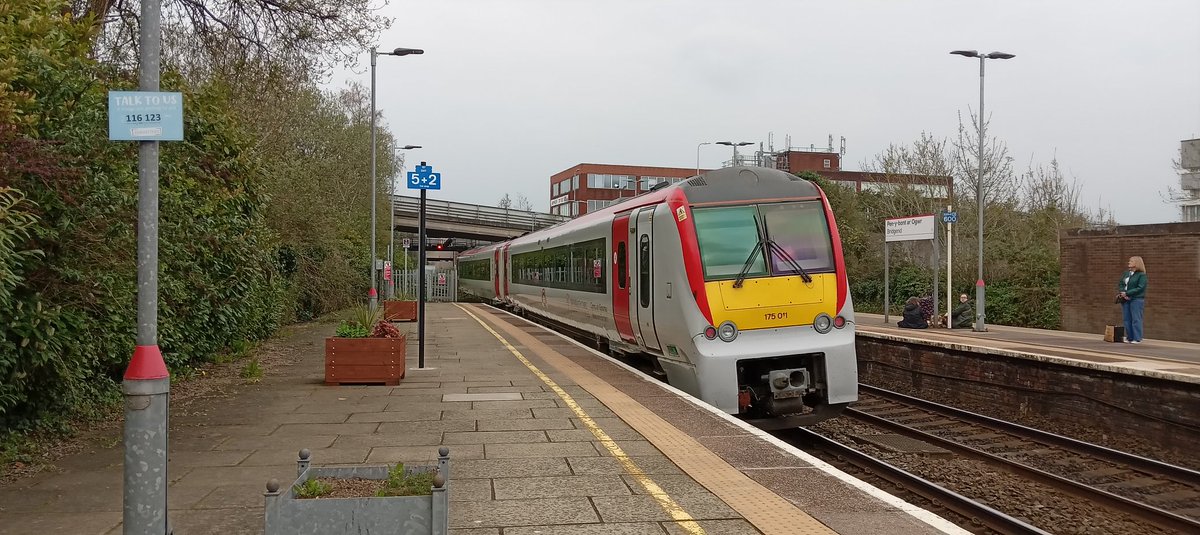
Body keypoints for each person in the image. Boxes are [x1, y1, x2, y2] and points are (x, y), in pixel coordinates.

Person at [1116, 256, 1148, 343]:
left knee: (1136, 319)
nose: (1129, 262)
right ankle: (1129, 337)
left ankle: (1137, 338)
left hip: (1136, 299)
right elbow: (1121, 283)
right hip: (1125, 298)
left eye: (1131, 261)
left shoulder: (1141, 275)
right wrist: (1123, 292)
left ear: (1137, 263)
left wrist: (1128, 293)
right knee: (1127, 319)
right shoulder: (1126, 273)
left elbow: (1140, 288)